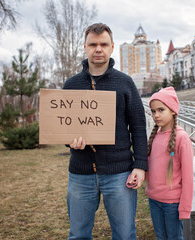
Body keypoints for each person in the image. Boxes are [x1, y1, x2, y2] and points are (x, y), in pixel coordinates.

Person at [62, 23, 148, 240]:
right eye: (93, 44)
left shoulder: (125, 83)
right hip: (80, 173)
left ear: (111, 48)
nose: (98, 49)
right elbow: (64, 127)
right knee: (78, 235)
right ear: (85, 46)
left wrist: (140, 165)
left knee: (125, 235)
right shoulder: (71, 85)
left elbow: (138, 127)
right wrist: (69, 141)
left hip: (119, 173)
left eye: (103, 44)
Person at [146, 87, 194, 240]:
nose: (156, 115)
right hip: (154, 200)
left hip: (172, 204)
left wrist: (185, 209)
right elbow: (151, 167)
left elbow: (188, 178)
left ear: (173, 110)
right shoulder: (154, 137)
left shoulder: (182, 138)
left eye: (161, 110)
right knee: (161, 237)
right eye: (153, 111)